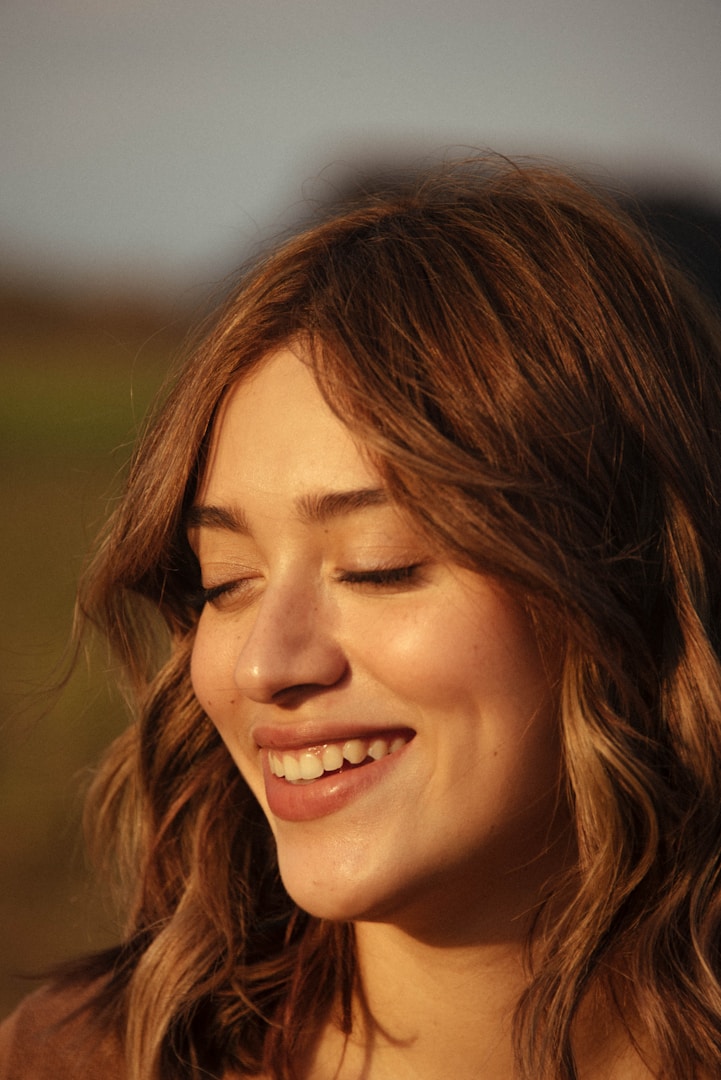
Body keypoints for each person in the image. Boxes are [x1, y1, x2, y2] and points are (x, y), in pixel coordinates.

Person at [2, 156, 721, 1080]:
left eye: (379, 568)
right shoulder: (84, 1058)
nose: (265, 665)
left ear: (626, 590)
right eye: (226, 581)